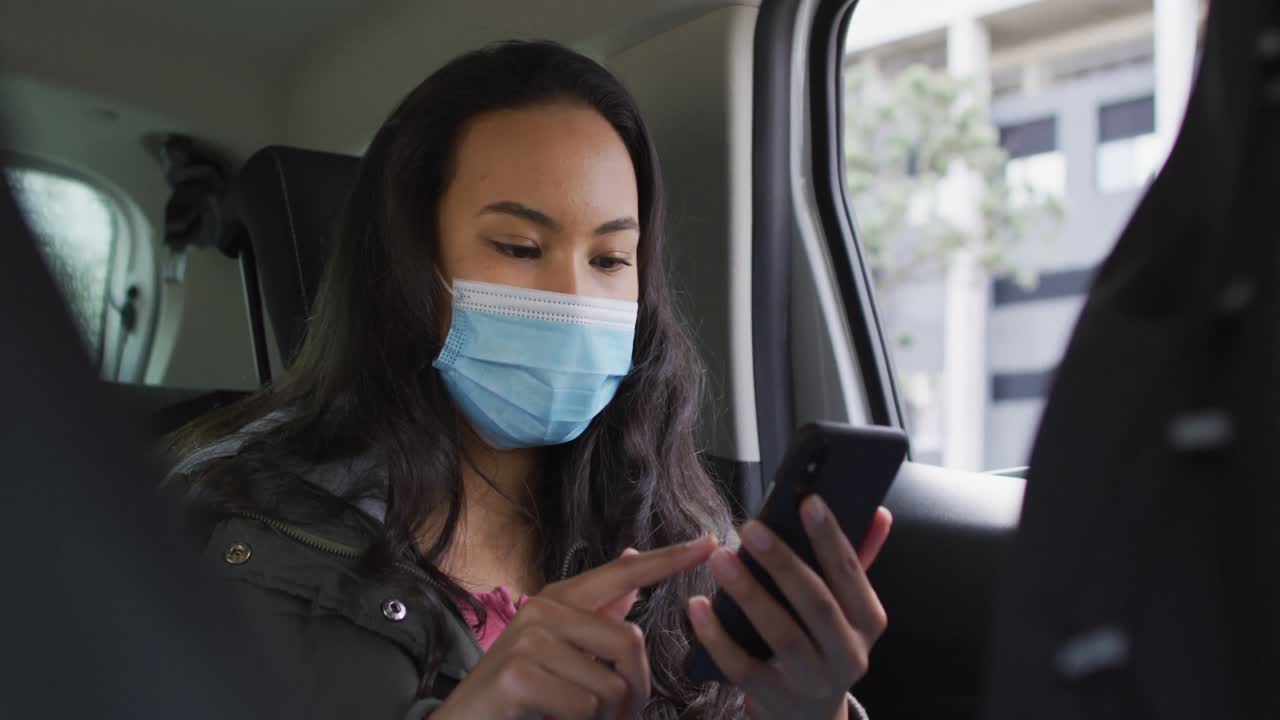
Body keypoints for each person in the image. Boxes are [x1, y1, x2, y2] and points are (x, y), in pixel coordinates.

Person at [168, 40, 891, 720]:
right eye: (519, 247)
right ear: (406, 268)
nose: (573, 300)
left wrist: (814, 710)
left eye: (610, 260)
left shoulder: (676, 523)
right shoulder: (252, 540)